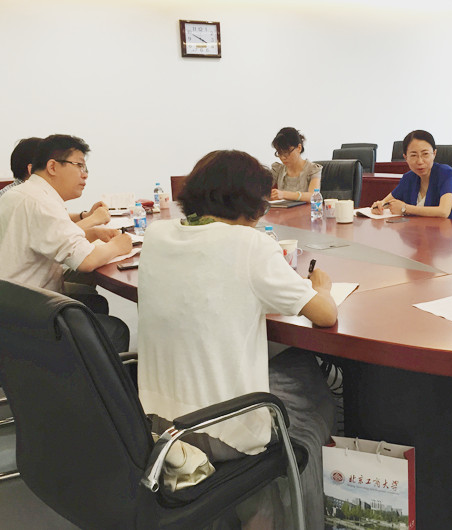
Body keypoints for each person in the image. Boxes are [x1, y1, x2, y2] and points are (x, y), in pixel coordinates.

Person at [137, 150, 338, 529]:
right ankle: (271, 513)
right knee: (313, 390)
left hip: (153, 421)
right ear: (252, 204)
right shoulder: (250, 245)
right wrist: (321, 287)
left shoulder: (157, 234)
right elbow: (325, 315)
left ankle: (238, 509)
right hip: (219, 429)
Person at [0, 134, 133, 352]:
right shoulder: (40, 202)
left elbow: (48, 238)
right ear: (53, 167)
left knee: (91, 301)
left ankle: (81, 366)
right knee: (115, 330)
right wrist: (120, 246)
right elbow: (86, 261)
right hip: (14, 317)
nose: (85, 175)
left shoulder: (25, 193)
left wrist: (92, 233)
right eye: (79, 166)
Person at [0, 137, 111, 231]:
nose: (85, 175)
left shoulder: (17, 191)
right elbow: (61, 236)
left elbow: (55, 222)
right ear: (32, 169)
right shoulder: (28, 198)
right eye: (79, 165)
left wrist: (84, 216)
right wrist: (93, 220)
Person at [370, 129, 452, 219]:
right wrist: (379, 206)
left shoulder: (446, 173)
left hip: (450, 229)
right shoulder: (408, 178)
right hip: (419, 229)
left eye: (425, 154)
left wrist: (405, 208)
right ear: (406, 158)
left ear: (434, 154)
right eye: (413, 155)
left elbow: (443, 212)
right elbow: (386, 202)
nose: (420, 161)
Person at [270, 127, 322, 201]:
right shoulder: (278, 169)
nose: (283, 157)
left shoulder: (313, 169)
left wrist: (284, 194)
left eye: (287, 152)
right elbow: (262, 189)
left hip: (305, 209)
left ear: (299, 148)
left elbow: (314, 196)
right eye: (280, 153)